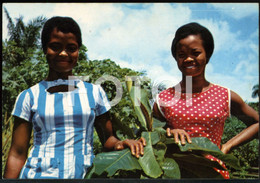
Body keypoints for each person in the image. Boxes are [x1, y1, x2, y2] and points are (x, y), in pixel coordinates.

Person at [3, 16, 146, 179]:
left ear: (78, 51)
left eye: (71, 48)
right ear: (44, 49)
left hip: (83, 176)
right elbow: (17, 153)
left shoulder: (95, 93)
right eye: (55, 47)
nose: (63, 53)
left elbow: (108, 139)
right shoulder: (29, 96)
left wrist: (122, 143)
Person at [153, 22, 259, 179]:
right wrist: (167, 133)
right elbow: (151, 135)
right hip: (174, 175)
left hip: (215, 174)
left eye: (195, 53)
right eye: (182, 55)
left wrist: (227, 146)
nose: (188, 59)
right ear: (176, 58)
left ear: (207, 55)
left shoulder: (225, 95)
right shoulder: (164, 99)